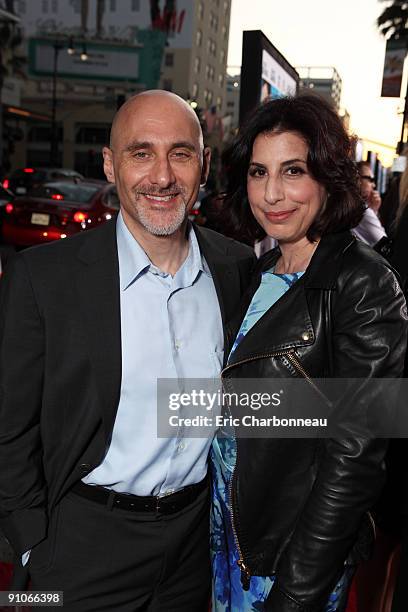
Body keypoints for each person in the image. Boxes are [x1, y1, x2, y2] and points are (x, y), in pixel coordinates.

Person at [0, 90, 255, 611]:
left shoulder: (235, 269)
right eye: (141, 153)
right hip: (77, 544)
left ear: (203, 166)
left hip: (191, 546)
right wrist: (31, 544)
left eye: (180, 154)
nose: (161, 177)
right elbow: (9, 427)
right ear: (110, 165)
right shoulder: (44, 278)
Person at [210, 94, 407, 611]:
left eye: (292, 170)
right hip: (229, 537)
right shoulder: (257, 273)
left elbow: (356, 458)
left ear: (327, 176)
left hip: (289, 562)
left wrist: (297, 593)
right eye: (258, 172)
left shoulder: (364, 283)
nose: (272, 193)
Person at [352, 160, 387, 247]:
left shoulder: (349, 205)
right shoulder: (363, 210)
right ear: (357, 179)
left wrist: (374, 211)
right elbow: (385, 245)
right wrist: (372, 212)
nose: (373, 185)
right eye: (370, 179)